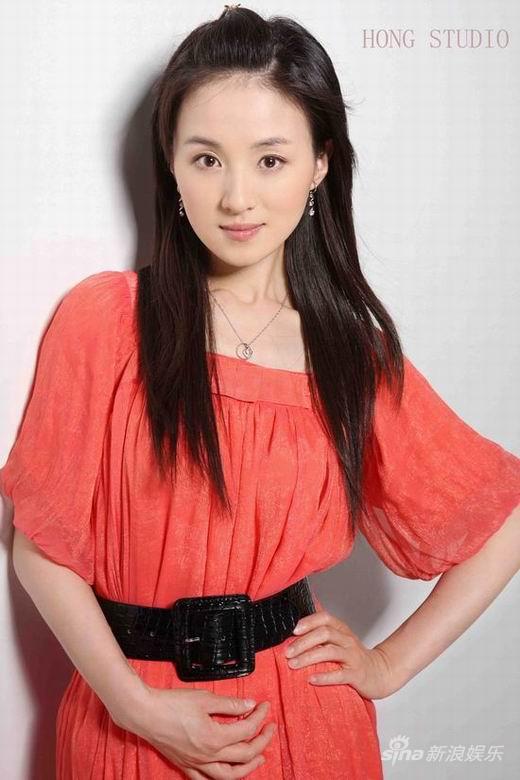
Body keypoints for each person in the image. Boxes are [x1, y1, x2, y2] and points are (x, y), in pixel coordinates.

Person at [1, 5, 520, 779]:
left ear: (319, 164)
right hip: (129, 725)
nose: (237, 197)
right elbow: (41, 545)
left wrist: (388, 665)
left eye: (270, 160)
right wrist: (135, 706)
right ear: (171, 164)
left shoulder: (351, 356)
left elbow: (502, 522)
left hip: (303, 728)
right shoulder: (104, 320)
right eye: (207, 159)